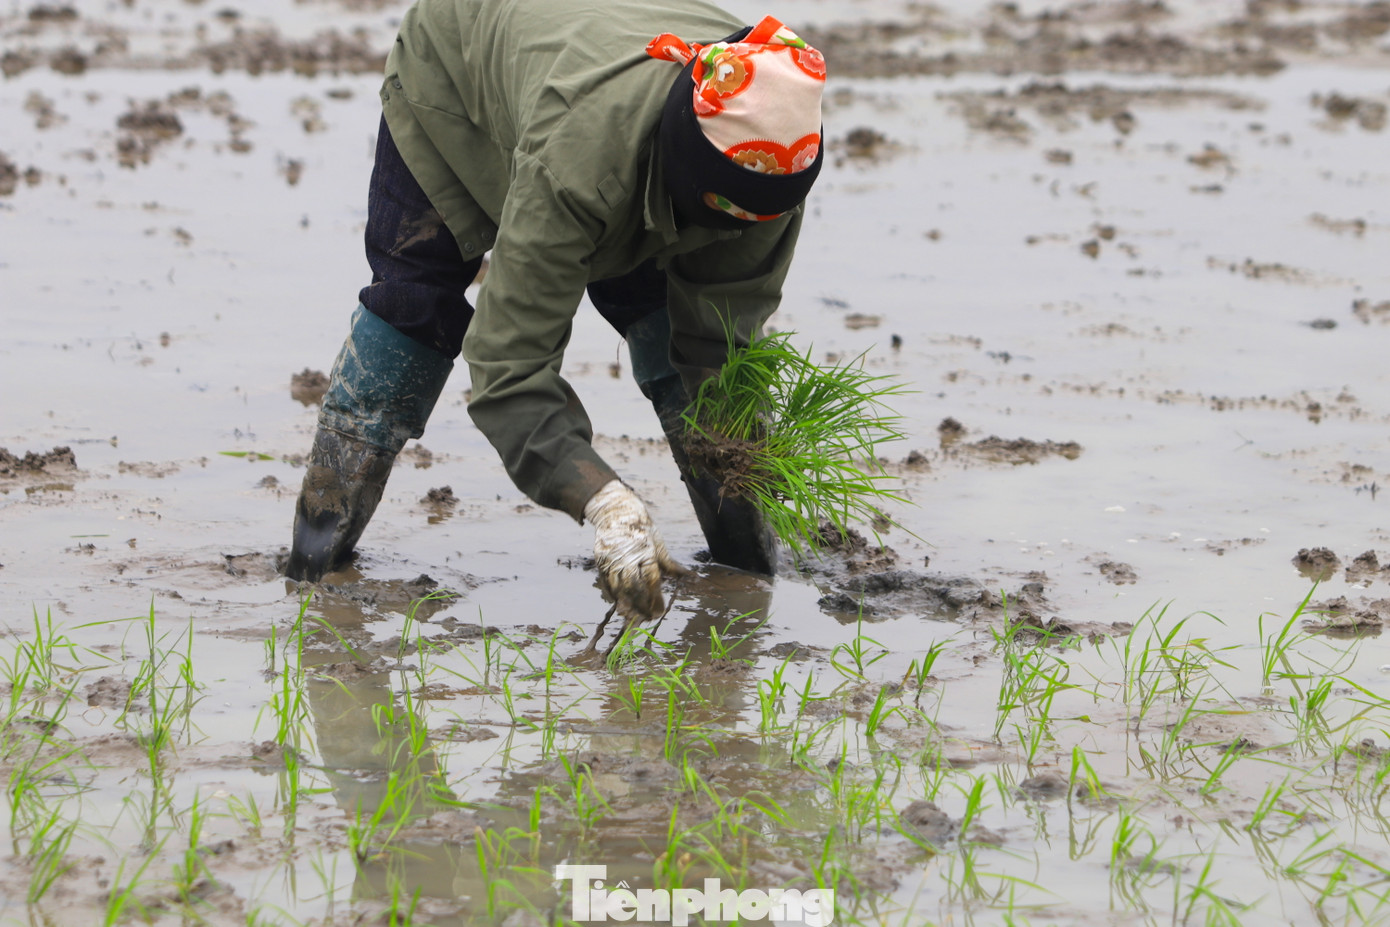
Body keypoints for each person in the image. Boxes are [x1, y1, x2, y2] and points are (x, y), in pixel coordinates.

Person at [284, 0, 827, 626]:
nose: (727, 231)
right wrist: (602, 501)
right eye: (712, 212)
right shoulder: (578, 164)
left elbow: (718, 346)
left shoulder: (776, 152)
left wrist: (748, 498)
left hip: (598, 95)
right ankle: (314, 562)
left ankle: (746, 567)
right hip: (460, 68)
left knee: (684, 330)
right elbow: (508, 368)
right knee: (417, 301)